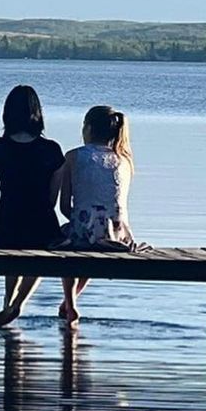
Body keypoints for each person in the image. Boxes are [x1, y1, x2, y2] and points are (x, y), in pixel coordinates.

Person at [0, 85, 65, 327]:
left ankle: (7, 303)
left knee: (12, 256)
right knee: (38, 257)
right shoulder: (51, 150)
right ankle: (17, 304)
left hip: (8, 218)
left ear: (7, 114)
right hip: (42, 218)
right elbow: (52, 196)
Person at [55, 105, 137, 324]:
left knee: (72, 241)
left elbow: (64, 206)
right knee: (95, 240)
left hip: (85, 232)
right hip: (117, 236)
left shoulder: (73, 157)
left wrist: (80, 220)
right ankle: (69, 303)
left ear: (88, 129)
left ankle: (70, 303)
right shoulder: (125, 160)